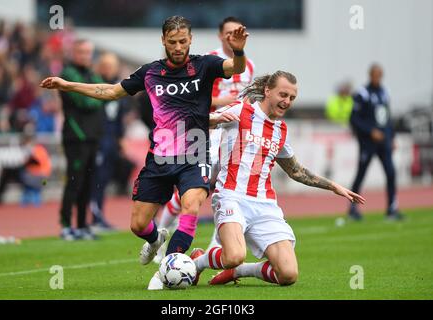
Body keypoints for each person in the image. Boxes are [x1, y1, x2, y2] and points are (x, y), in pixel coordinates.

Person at [40, 15, 249, 289]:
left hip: (195, 154)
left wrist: (239, 49)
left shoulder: (205, 65)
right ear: (163, 40)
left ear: (191, 40)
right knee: (138, 225)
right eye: (172, 42)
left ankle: (167, 269)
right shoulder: (150, 73)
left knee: (190, 205)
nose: (178, 47)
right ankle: (155, 240)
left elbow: (235, 67)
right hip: (160, 158)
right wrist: (67, 85)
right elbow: (110, 91)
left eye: (183, 41)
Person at [189, 71, 365, 286]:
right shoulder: (241, 110)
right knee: (233, 255)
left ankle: (238, 272)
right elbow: (193, 121)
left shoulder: (280, 130)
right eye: (283, 95)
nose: (287, 101)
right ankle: (198, 262)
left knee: (288, 275)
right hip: (231, 197)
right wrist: (214, 119)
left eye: (291, 98)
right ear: (267, 91)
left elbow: (296, 171)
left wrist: (333, 186)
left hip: (264, 205)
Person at [155, 16, 255, 262]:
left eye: (238, 32)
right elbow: (198, 99)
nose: (234, 35)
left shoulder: (247, 65)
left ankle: (214, 246)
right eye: (229, 32)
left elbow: (247, 99)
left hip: (233, 133)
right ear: (221, 35)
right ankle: (159, 239)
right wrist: (230, 103)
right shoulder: (208, 62)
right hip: (206, 129)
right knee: (190, 189)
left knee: (226, 187)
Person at [56, 39, 105, 241]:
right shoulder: (68, 74)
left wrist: (100, 93)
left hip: (93, 137)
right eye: (81, 52)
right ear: (74, 53)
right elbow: (85, 101)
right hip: (76, 137)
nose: (85, 56)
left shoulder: (91, 75)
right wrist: (99, 94)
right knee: (74, 181)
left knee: (88, 182)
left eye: (88, 52)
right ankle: (66, 225)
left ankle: (83, 225)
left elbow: (103, 92)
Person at [348, 63, 404, 221]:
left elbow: (387, 117)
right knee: (361, 174)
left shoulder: (384, 92)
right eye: (375, 74)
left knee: (391, 173)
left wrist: (392, 136)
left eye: (380, 75)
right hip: (368, 143)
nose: (377, 77)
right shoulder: (363, 93)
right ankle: (353, 209)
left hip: (384, 142)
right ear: (370, 75)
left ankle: (392, 208)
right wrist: (370, 131)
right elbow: (354, 119)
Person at [89, 52, 134, 232]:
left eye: (111, 65)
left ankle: (98, 215)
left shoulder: (118, 87)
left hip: (111, 141)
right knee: (95, 178)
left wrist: (121, 139)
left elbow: (119, 118)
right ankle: (93, 217)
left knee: (104, 179)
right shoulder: (94, 86)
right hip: (97, 140)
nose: (108, 69)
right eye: (105, 65)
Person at [0, 123, 52, 205]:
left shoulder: (34, 150)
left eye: (27, 139)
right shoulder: (39, 149)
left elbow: (28, 164)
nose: (25, 141)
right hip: (43, 180)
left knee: (9, 172)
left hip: (41, 180)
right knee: (11, 171)